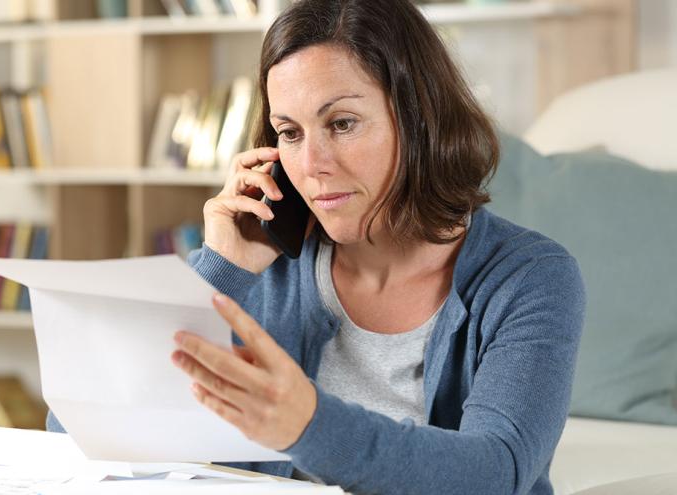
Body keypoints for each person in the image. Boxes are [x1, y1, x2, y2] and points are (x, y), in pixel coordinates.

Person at [169, 1, 586, 494]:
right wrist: (221, 270)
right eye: (290, 133)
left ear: (418, 119)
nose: (311, 164)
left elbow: (497, 472)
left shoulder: (529, 277)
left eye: (342, 123)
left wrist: (308, 425)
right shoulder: (260, 267)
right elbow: (112, 432)